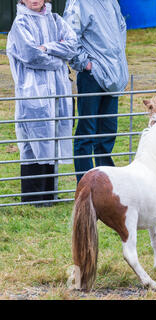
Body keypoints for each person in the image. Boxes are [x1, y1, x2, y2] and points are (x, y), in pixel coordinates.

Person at [7, 0, 77, 206]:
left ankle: (49, 196)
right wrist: (58, 60)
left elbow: (72, 45)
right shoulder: (20, 24)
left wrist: (47, 47)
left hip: (57, 91)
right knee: (34, 142)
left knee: (52, 139)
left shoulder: (56, 20)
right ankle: (33, 198)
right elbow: (30, 55)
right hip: (34, 91)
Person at [63, 0, 129, 183]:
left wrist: (118, 65)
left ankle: (106, 184)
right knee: (87, 130)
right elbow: (69, 34)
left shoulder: (111, 2)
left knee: (107, 130)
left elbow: (120, 30)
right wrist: (85, 64)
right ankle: (85, 185)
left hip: (112, 74)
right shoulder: (79, 3)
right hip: (91, 75)